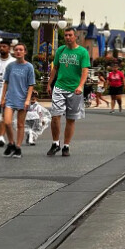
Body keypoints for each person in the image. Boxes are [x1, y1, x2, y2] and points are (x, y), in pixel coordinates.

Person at [46, 26, 90, 157]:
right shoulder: (60, 50)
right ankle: (55, 143)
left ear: (75, 36)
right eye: (66, 35)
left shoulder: (82, 52)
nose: (68, 37)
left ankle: (66, 145)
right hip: (59, 87)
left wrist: (80, 86)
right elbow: (55, 68)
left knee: (71, 119)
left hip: (74, 89)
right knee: (55, 116)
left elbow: (85, 71)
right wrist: (49, 83)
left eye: (70, 35)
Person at [0, 43, 35, 159]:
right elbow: (6, 82)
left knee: (20, 124)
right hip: (10, 98)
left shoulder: (29, 67)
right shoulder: (10, 66)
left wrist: (28, 100)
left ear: (25, 52)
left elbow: (31, 85)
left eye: (21, 50)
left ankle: (18, 147)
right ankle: (11, 143)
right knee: (7, 122)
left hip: (23, 99)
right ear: (14, 52)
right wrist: (2, 97)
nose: (18, 52)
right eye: (16, 50)